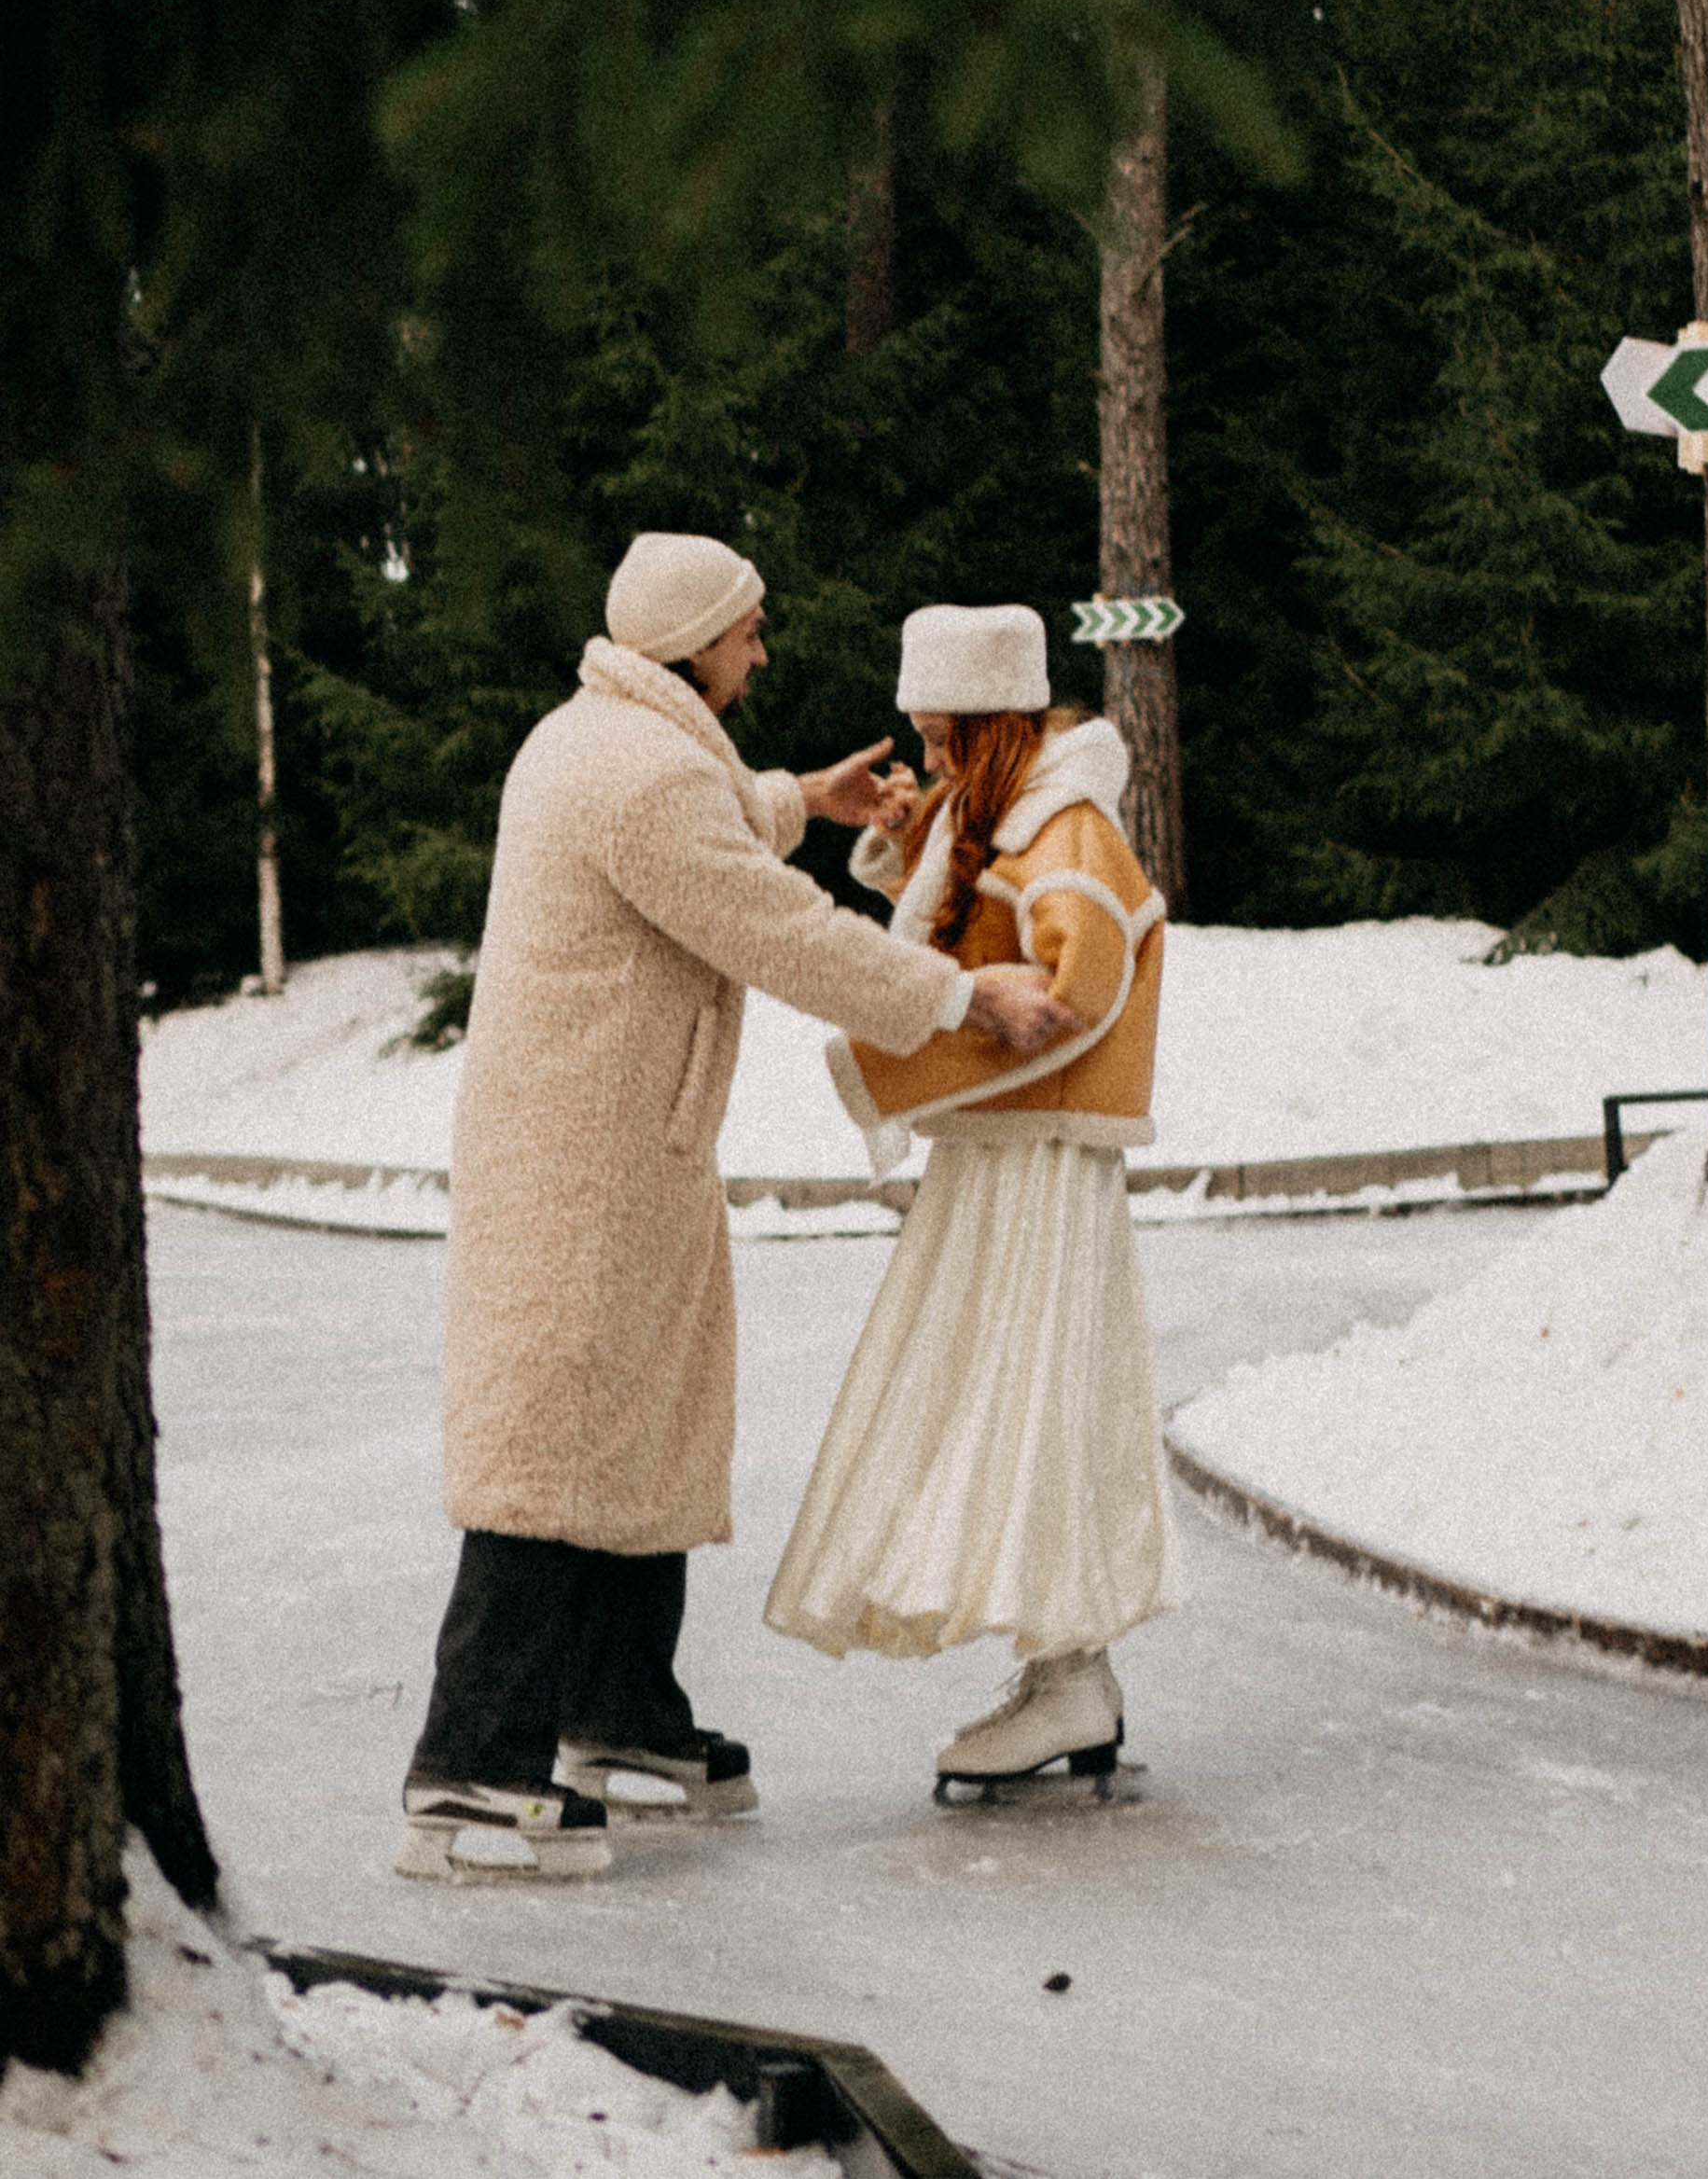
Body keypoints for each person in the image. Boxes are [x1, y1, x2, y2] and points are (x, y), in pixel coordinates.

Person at [396, 534, 1073, 1881]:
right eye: (749, 631)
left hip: (618, 1145)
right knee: (553, 1439)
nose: (762, 651)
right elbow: (769, 923)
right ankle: (468, 1765)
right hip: (582, 1159)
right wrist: (958, 995)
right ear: (696, 638)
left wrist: (799, 796)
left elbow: (708, 818)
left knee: (636, 1422)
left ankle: (618, 1714)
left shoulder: (612, 739)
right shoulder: (640, 773)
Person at [763, 602, 1180, 1798]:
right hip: (1004, 1156)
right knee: (1011, 1395)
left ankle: (1070, 1670)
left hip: (1037, 1161)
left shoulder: (1069, 817)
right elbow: (979, 906)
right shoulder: (1020, 807)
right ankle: (1066, 1668)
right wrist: (911, 840)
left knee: (1031, 1395)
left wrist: (941, 1027)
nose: (932, 760)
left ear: (997, 724)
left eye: (946, 741)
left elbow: (1075, 982)